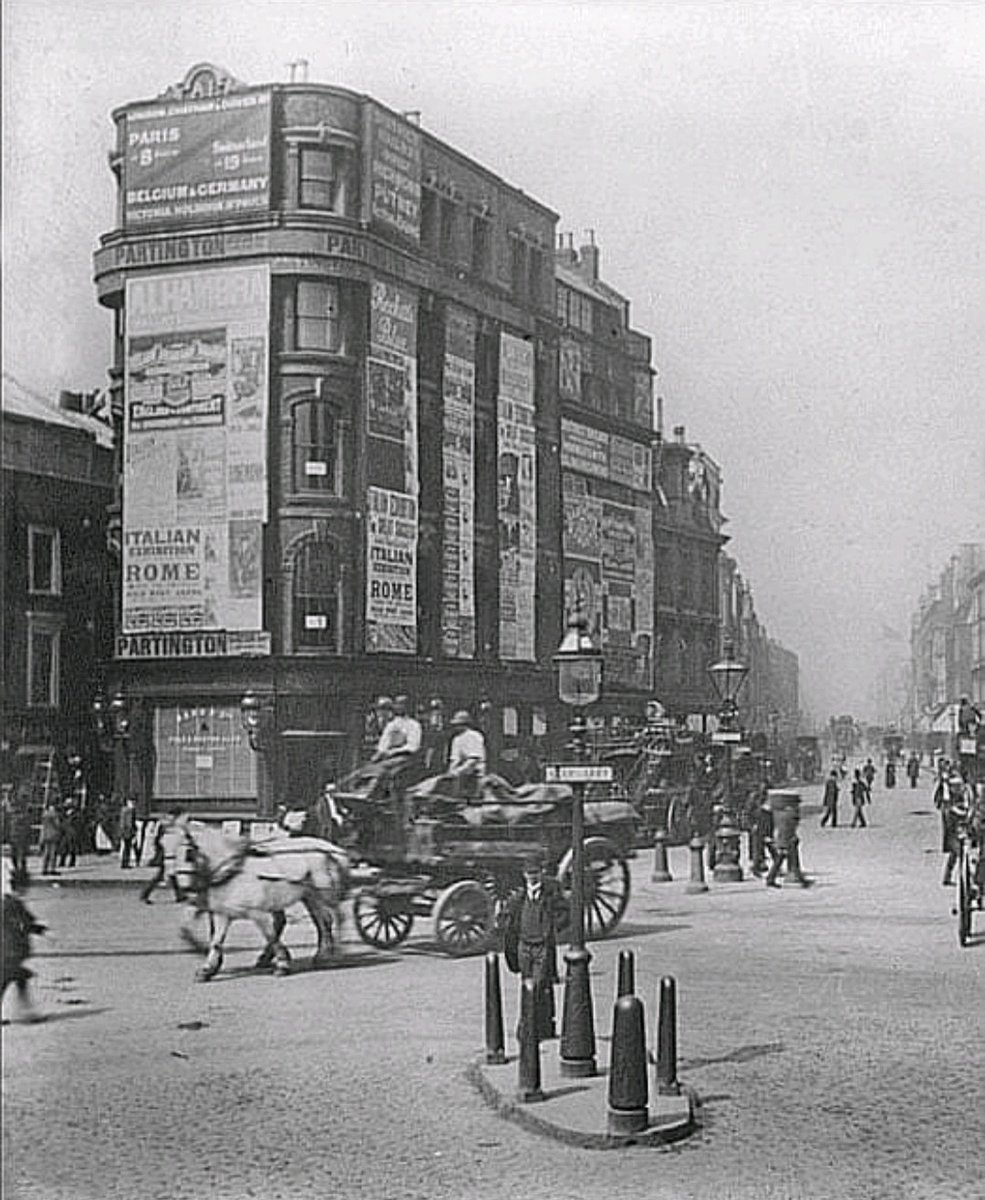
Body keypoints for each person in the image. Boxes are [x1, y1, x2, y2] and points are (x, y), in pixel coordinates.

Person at [500, 851, 567, 1042]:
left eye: (536, 872)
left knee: (537, 986)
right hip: (524, 947)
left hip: (542, 947)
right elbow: (508, 921)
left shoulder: (551, 892)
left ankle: (528, 1025)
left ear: (542, 872)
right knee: (526, 985)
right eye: (530, 873)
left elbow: (565, 913)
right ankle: (535, 1025)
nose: (533, 876)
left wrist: (550, 929)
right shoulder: (518, 898)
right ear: (524, 875)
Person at [2, 854, 46, 1022]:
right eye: (25, 887)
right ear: (19, 887)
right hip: (8, 951)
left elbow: (27, 921)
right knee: (13, 980)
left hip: (11, 951)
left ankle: (26, 1012)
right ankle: (27, 1013)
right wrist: (38, 929)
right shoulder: (9, 904)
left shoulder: (13, 902)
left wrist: (39, 929)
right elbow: (23, 923)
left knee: (15, 981)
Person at [139, 806, 185, 903]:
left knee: (167, 875)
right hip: (166, 853)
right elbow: (162, 839)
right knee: (164, 875)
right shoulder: (169, 824)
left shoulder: (164, 822)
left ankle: (179, 895)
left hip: (165, 852)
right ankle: (145, 894)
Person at [765, 796, 810, 888]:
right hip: (788, 841)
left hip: (782, 840)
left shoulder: (781, 814)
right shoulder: (792, 815)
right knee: (791, 861)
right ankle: (799, 880)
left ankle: (771, 879)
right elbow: (789, 829)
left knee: (780, 861)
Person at [938, 771, 970, 887]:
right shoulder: (948, 801)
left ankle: (947, 877)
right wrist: (964, 813)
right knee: (958, 854)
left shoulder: (958, 797)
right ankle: (960, 878)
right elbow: (952, 811)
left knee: (955, 855)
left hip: (957, 831)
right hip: (953, 832)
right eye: (956, 787)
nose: (958, 789)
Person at [446, 711, 487, 800]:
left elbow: (473, 760)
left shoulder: (474, 736)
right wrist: (450, 772)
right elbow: (454, 759)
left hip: (475, 775)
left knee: (473, 799)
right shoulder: (456, 739)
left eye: (459, 724)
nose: (456, 727)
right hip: (460, 777)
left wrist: (458, 771)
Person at [39, 802, 61, 875]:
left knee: (46, 853)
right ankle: (52, 869)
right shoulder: (54, 815)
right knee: (53, 854)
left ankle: (44, 869)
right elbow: (57, 824)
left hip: (46, 835)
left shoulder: (44, 815)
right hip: (53, 835)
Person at [118, 797, 138, 868]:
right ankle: (125, 863)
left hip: (126, 831)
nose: (133, 804)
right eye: (132, 803)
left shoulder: (126, 810)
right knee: (127, 847)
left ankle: (125, 862)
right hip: (127, 831)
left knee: (127, 847)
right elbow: (128, 822)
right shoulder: (128, 811)